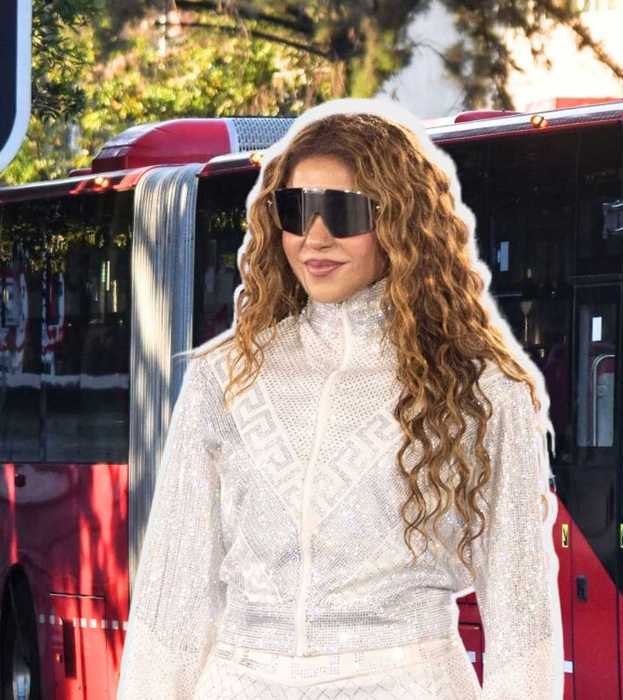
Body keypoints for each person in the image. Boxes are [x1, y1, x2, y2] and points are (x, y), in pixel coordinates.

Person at [115, 98, 563, 699]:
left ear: (400, 223)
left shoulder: (482, 389)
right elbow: (173, 602)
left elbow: (522, 619)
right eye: (296, 211)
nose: (314, 237)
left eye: (343, 212)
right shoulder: (223, 376)